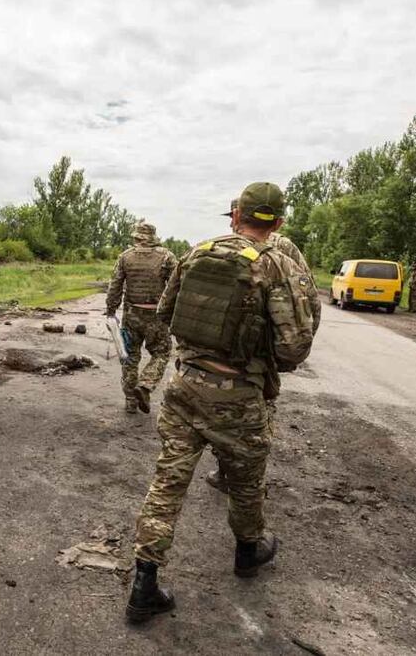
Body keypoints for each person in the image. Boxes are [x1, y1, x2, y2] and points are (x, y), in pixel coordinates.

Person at [126, 182, 317, 624]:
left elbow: (166, 314)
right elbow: (293, 349)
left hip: (185, 388)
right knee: (246, 483)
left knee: (168, 482)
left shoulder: (195, 254)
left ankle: (144, 584)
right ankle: (248, 554)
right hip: (240, 398)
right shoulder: (277, 266)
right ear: (279, 223)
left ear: (236, 216)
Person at [204, 199, 321, 493]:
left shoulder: (232, 247)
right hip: (252, 352)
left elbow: (308, 299)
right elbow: (311, 303)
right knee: (245, 414)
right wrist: (291, 353)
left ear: (238, 215)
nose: (231, 222)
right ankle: (235, 475)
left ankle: (240, 479)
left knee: (242, 413)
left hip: (243, 351)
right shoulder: (271, 247)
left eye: (232, 217)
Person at [104, 222, 178, 414]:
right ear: (153, 238)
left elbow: (115, 286)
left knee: (129, 357)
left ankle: (130, 401)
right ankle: (145, 385)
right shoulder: (167, 257)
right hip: (157, 316)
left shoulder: (125, 257)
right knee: (161, 353)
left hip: (131, 315)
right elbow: (177, 286)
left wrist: (111, 311)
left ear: (137, 237)